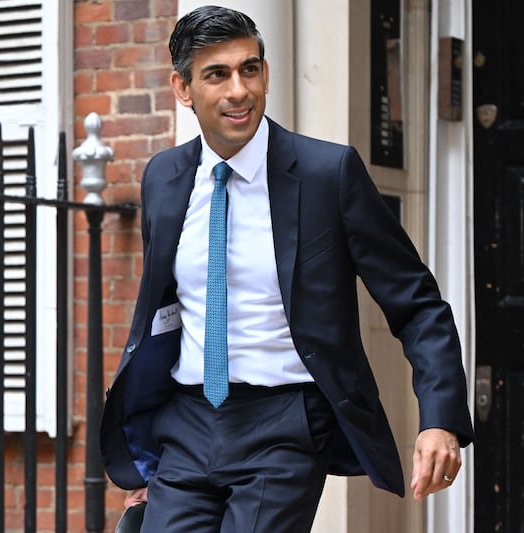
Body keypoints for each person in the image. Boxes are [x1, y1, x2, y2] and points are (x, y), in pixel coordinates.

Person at [100, 5, 474, 532]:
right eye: (217, 74)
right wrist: (148, 454)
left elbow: (417, 304)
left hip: (284, 426)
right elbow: (163, 314)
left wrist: (441, 420)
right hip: (184, 425)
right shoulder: (164, 177)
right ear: (183, 89)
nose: (239, 90)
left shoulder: (328, 174)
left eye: (250, 69)